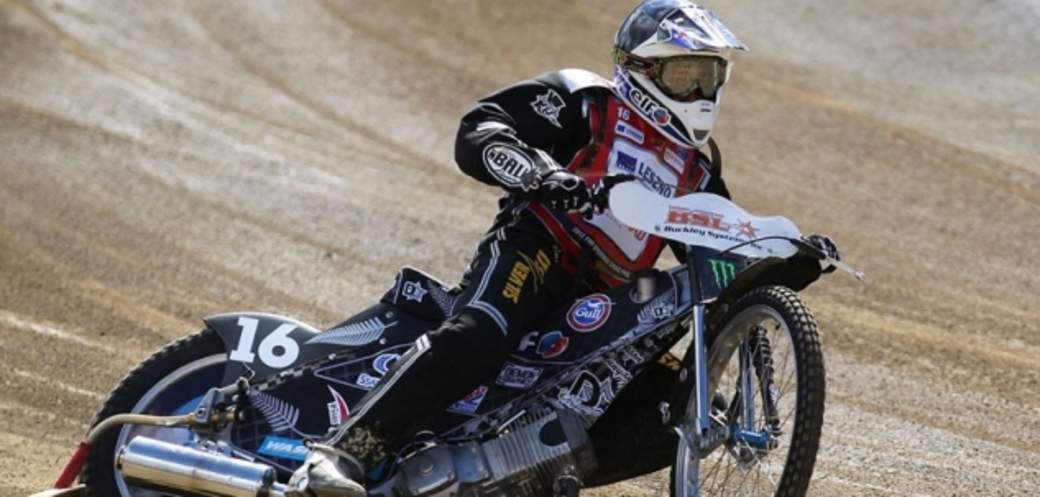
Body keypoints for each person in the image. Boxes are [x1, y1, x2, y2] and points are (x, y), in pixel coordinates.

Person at [296, 0, 840, 493]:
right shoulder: (587, 100)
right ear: (640, 69)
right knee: (480, 333)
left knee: (677, 411)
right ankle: (341, 453)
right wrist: (541, 173)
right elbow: (481, 128)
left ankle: (524, 477)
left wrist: (783, 261)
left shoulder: (698, 171)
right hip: (539, 249)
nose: (700, 93)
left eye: (710, 77)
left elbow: (720, 254)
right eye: (685, 75)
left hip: (615, 295)